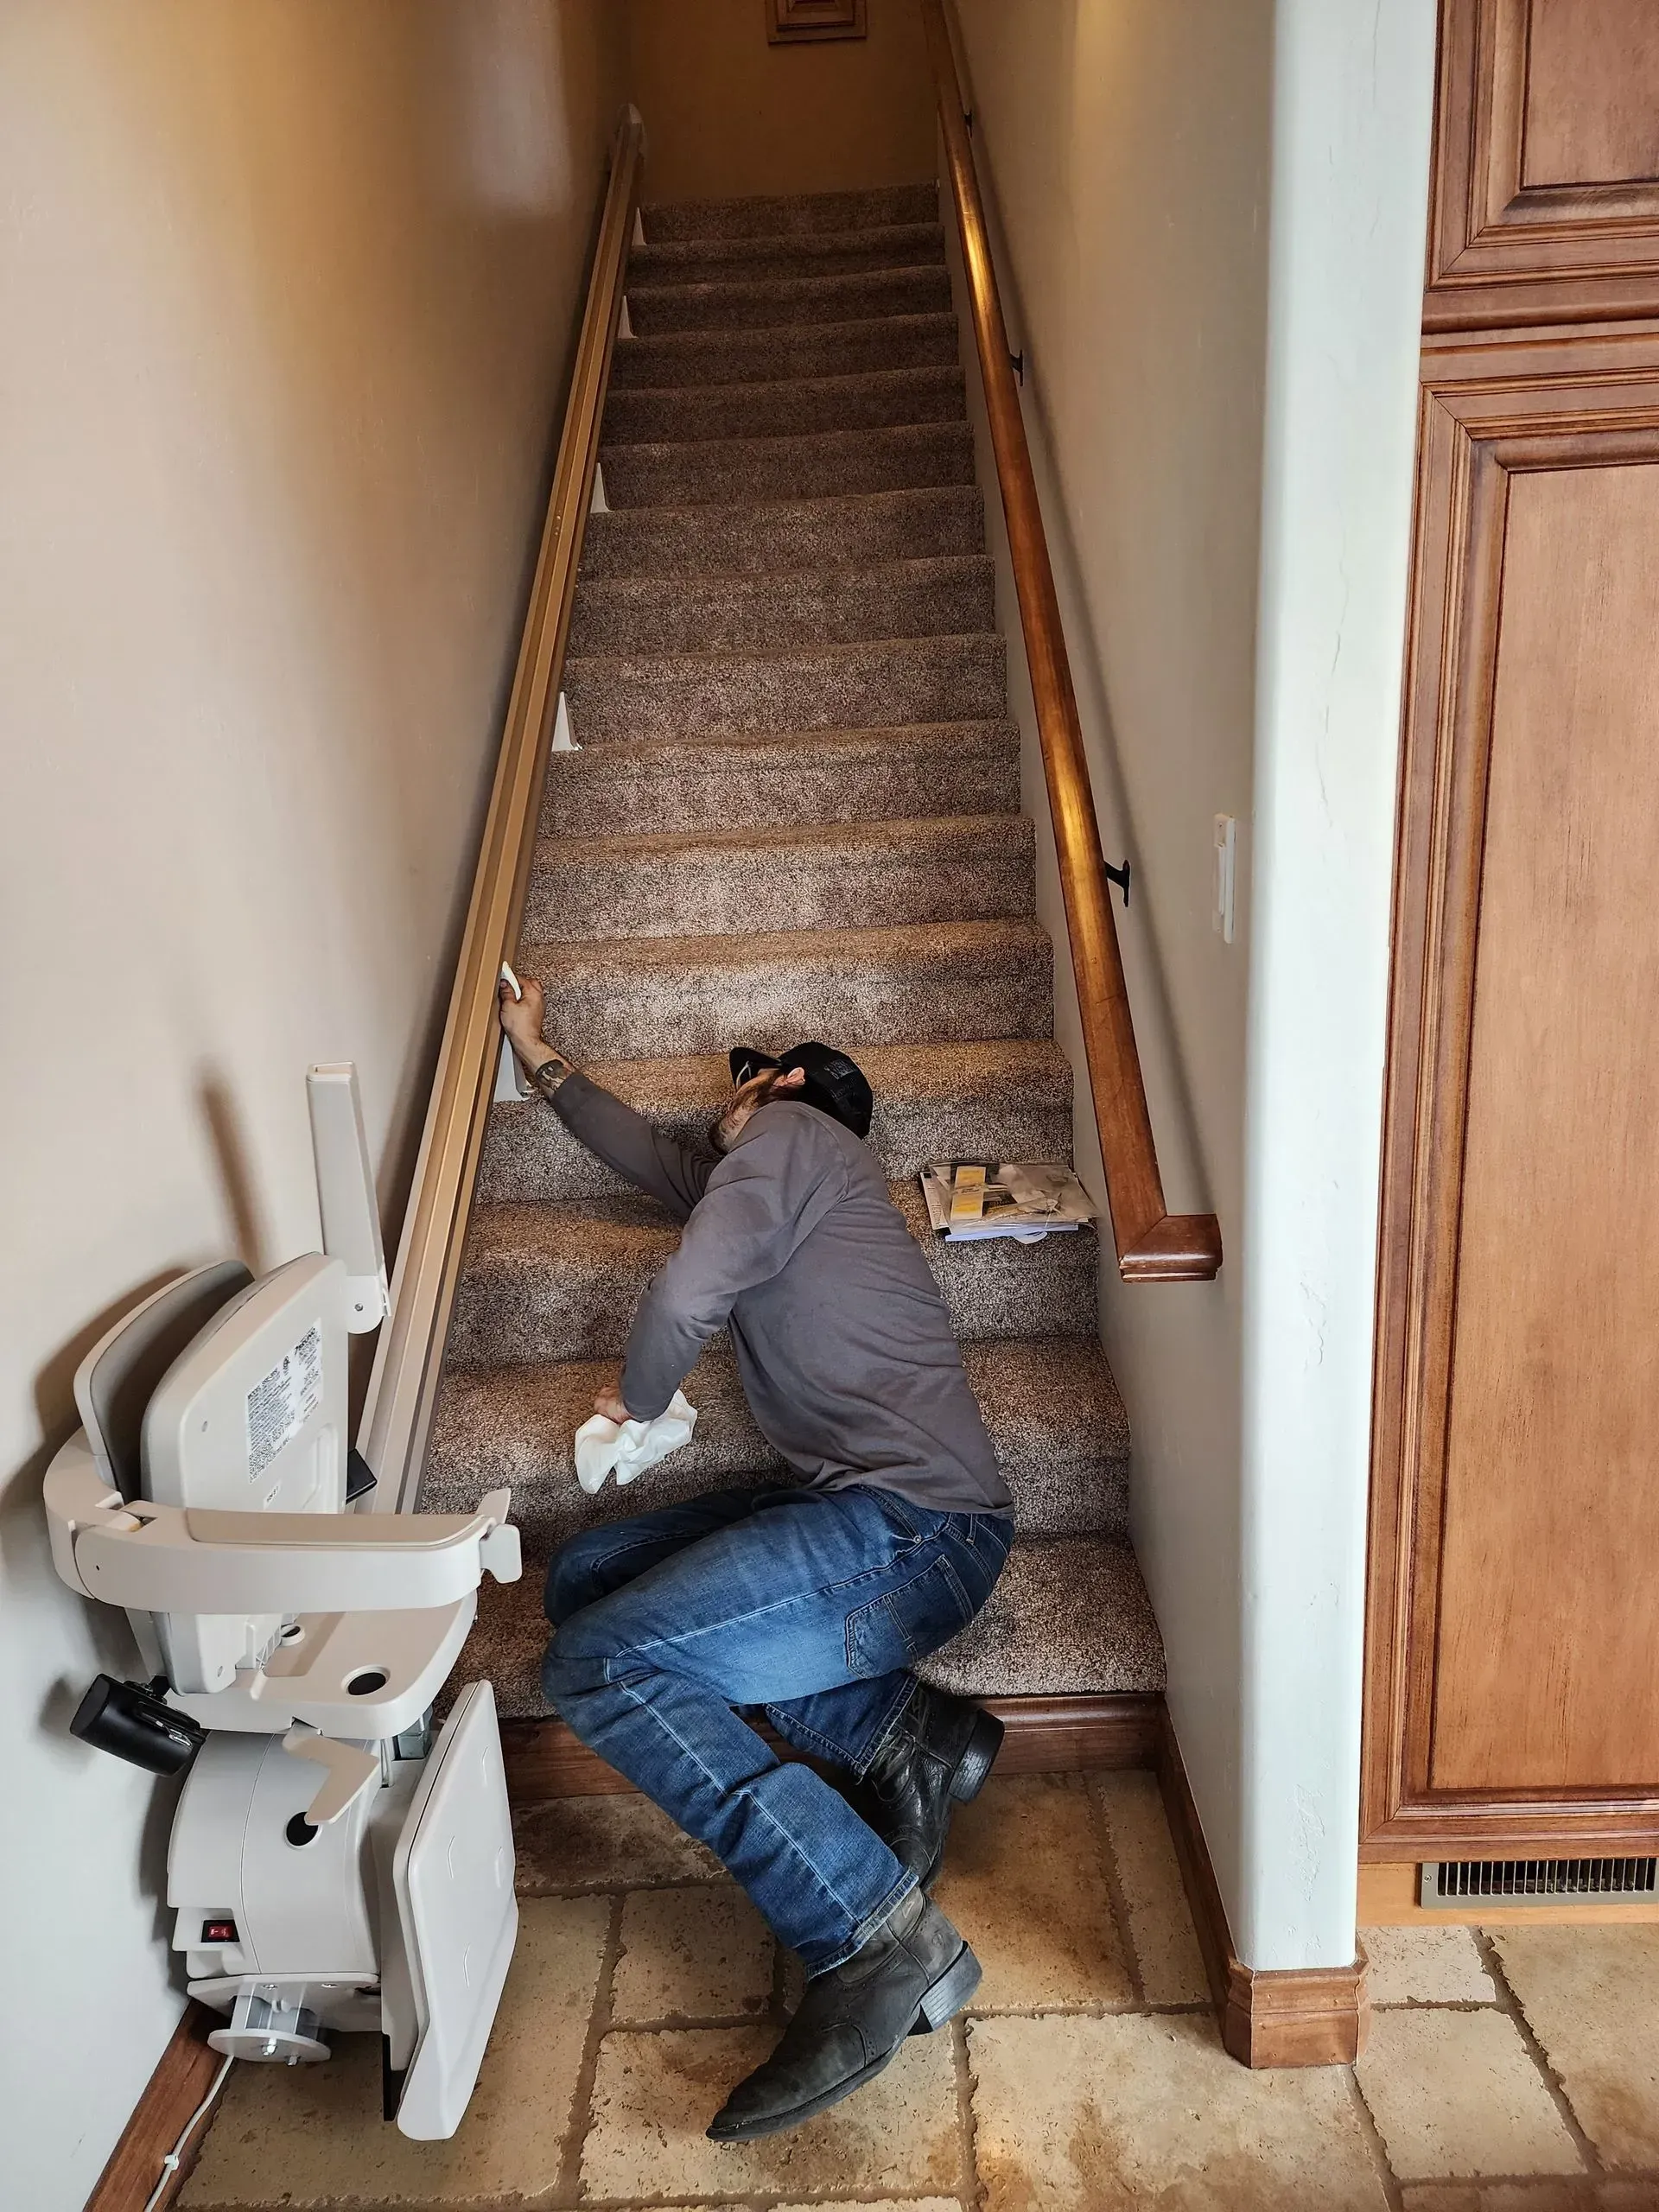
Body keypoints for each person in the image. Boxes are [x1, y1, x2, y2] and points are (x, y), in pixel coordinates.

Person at [499, 976, 1014, 2140]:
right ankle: (905, 1734)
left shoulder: (794, 1139)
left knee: (598, 1665)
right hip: (876, 1520)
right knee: (587, 1579)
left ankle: (873, 1932)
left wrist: (633, 1401)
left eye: (740, 1083)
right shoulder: (771, 1179)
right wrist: (540, 1056)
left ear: (780, 1089)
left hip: (909, 1532)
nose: (722, 1103)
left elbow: (684, 1293)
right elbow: (639, 1151)